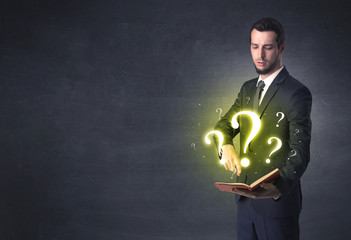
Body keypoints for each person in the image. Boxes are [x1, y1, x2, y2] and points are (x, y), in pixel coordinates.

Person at [214, 18, 312, 240]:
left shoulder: (296, 92)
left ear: (281, 47)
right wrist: (226, 144)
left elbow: (301, 151)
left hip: (277, 205)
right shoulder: (248, 88)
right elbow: (226, 124)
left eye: (267, 47)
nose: (260, 55)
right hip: (245, 203)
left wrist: (277, 188)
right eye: (254, 46)